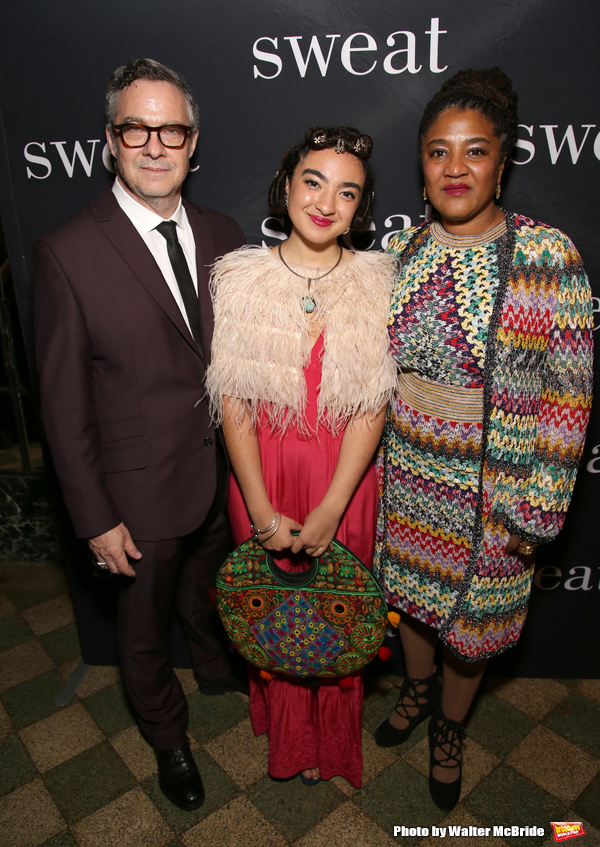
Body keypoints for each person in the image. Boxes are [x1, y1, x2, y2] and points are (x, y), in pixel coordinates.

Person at [373, 68, 593, 811]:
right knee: (412, 605)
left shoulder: (548, 256)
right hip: (407, 474)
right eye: (438, 152)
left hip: (495, 492)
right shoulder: (399, 252)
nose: (456, 168)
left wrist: (539, 510)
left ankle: (449, 726)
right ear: (422, 165)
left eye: (475, 151)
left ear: (504, 160)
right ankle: (415, 691)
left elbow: (568, 396)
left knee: (472, 630)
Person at [33, 58, 244, 811]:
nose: (155, 146)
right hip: (135, 492)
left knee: (212, 589)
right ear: (110, 140)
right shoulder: (66, 252)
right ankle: (169, 738)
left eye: (172, 129)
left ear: (194, 142)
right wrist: (94, 516)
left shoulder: (224, 233)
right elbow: (61, 403)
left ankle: (220, 669)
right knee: (144, 632)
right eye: (136, 128)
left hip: (223, 473)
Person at [206, 126, 397, 787]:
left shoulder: (378, 279)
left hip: (342, 478)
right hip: (264, 474)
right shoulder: (242, 276)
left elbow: (372, 404)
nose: (325, 202)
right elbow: (233, 403)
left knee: (337, 614)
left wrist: (332, 505)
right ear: (286, 187)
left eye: (347, 192)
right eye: (313, 182)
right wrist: (260, 506)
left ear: (361, 207)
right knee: (275, 610)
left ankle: (332, 741)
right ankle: (289, 736)